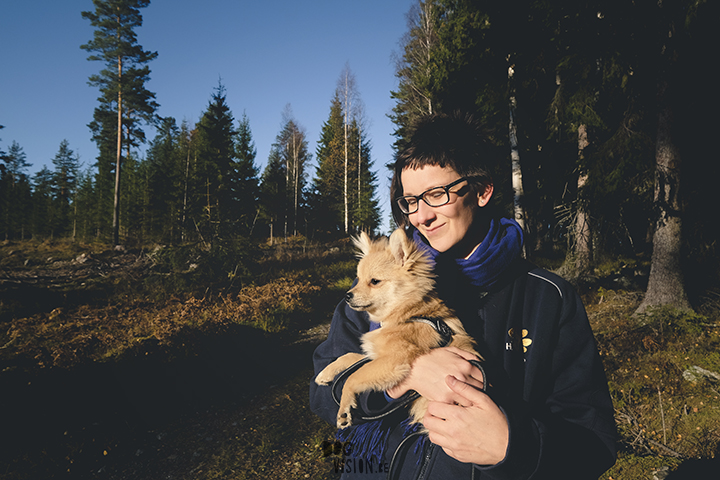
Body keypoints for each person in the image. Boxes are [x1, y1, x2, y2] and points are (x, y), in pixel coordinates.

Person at [309, 111, 617, 479]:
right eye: (410, 201)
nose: (421, 216)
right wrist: (407, 377)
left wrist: (512, 447)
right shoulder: (379, 287)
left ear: (482, 190)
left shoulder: (547, 299)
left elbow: (594, 442)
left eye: (436, 194)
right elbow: (321, 394)